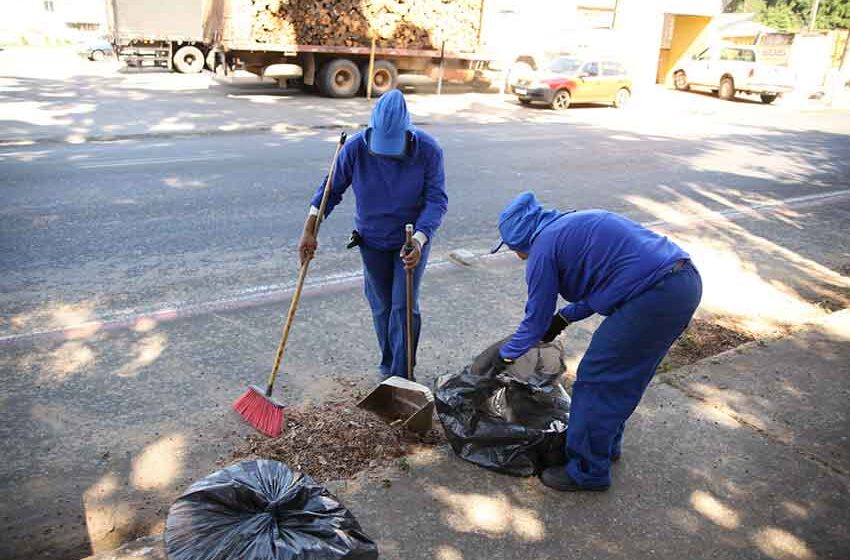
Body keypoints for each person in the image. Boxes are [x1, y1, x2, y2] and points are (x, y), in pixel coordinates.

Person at [491, 191, 702, 491]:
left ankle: (587, 470)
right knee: (625, 377)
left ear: (520, 239)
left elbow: (535, 320)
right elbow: (611, 282)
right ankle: (603, 447)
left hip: (654, 295)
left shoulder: (542, 249)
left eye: (513, 249)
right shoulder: (571, 224)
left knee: (596, 377)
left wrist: (505, 357)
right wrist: (565, 317)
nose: (517, 255)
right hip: (683, 283)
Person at [299, 90, 448, 379]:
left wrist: (419, 240)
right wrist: (309, 229)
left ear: (408, 132)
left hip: (411, 242)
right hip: (371, 240)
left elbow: (437, 200)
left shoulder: (429, 150)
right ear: (371, 131)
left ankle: (403, 376)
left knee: (403, 307)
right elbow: (329, 190)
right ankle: (388, 367)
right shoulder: (354, 148)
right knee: (381, 306)